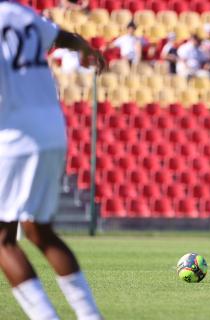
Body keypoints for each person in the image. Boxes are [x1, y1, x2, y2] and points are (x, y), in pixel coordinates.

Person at [0, 1, 105, 319]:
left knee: (3, 239)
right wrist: (86, 48)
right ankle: (90, 316)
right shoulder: (22, 14)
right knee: (38, 230)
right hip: (51, 128)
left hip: (13, 132)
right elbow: (61, 36)